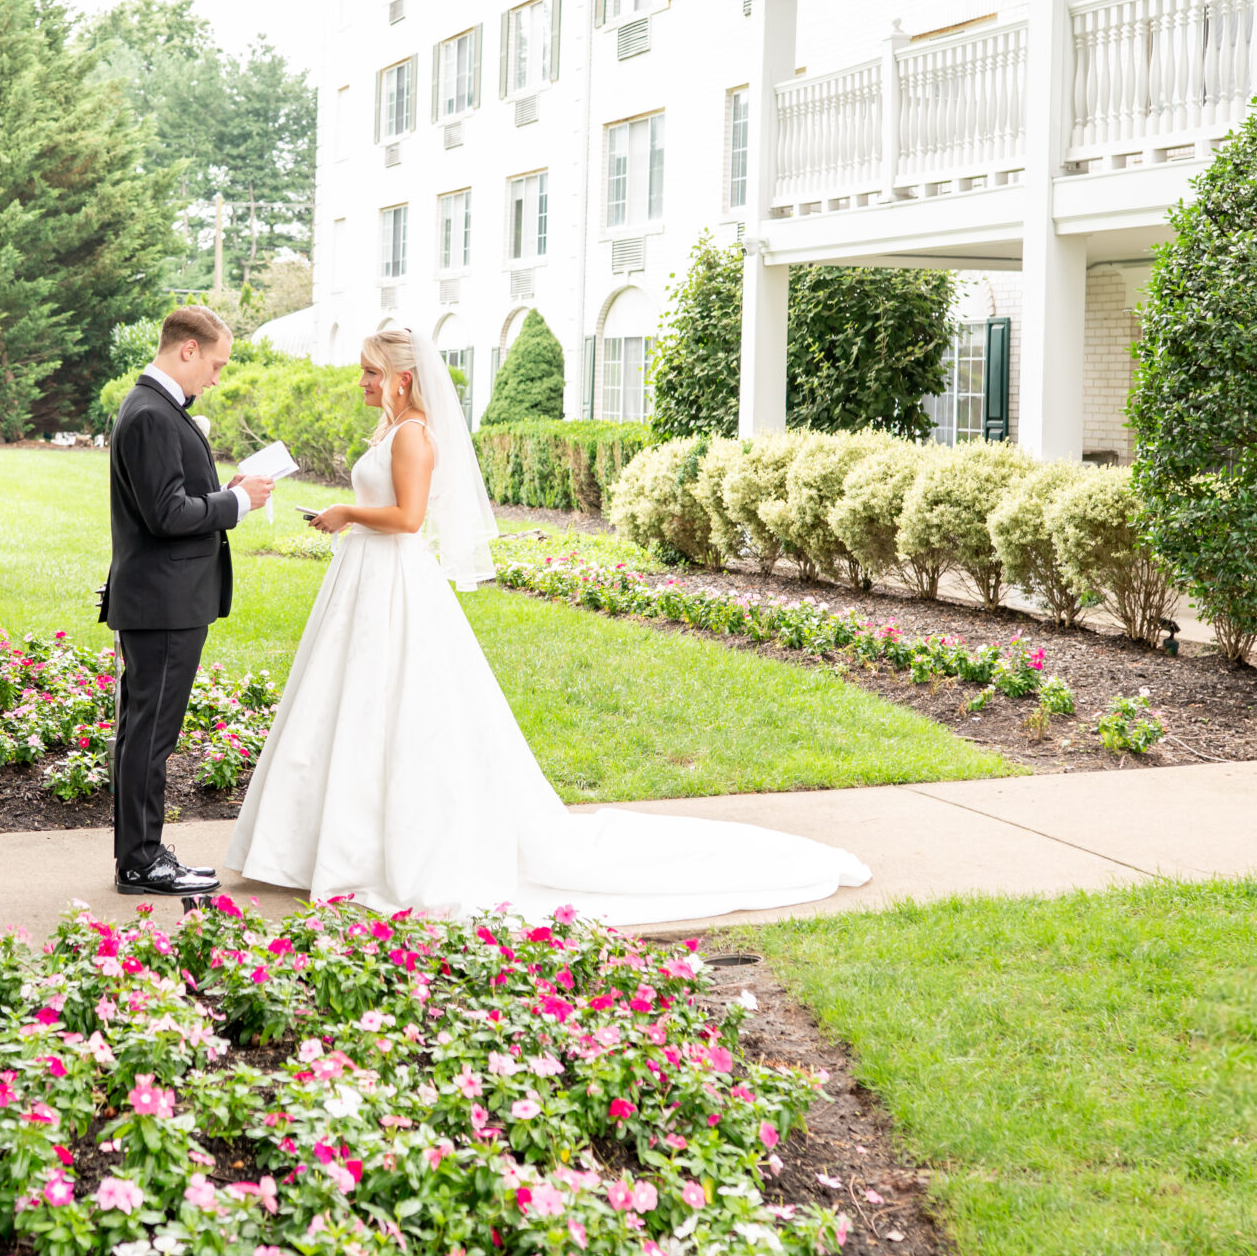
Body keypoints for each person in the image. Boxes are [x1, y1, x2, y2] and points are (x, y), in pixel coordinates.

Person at [222, 326, 869, 926]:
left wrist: (346, 511)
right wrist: (347, 516)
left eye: (369, 372)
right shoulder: (390, 431)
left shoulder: (415, 434)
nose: (361, 381)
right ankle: (329, 846)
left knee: (396, 707)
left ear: (400, 377)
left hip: (393, 584)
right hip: (363, 582)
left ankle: (381, 849)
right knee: (351, 709)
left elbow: (411, 516)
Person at [101, 307, 274, 896]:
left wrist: (222, 493)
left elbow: (172, 499)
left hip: (163, 599)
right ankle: (142, 862)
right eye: (217, 364)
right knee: (150, 737)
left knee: (143, 733)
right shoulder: (151, 413)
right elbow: (167, 515)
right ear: (189, 350)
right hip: (163, 603)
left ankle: (142, 855)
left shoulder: (156, 409)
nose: (218, 378)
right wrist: (239, 503)